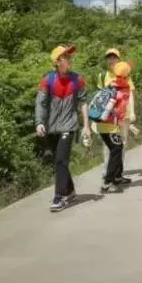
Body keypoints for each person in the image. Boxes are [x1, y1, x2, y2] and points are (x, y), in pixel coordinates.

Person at [35, 45, 90, 212]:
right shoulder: (48, 80)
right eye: (66, 57)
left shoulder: (77, 79)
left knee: (61, 160)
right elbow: (41, 103)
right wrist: (39, 122)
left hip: (69, 125)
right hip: (51, 127)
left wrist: (86, 126)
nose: (70, 59)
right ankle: (70, 190)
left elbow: (83, 103)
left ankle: (59, 197)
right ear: (57, 62)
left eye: (70, 56)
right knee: (58, 161)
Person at [95, 59, 137, 193]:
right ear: (126, 75)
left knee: (115, 149)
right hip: (111, 126)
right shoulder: (123, 88)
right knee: (117, 149)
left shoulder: (110, 84)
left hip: (101, 124)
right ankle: (107, 183)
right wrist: (130, 125)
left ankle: (115, 178)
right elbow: (121, 111)